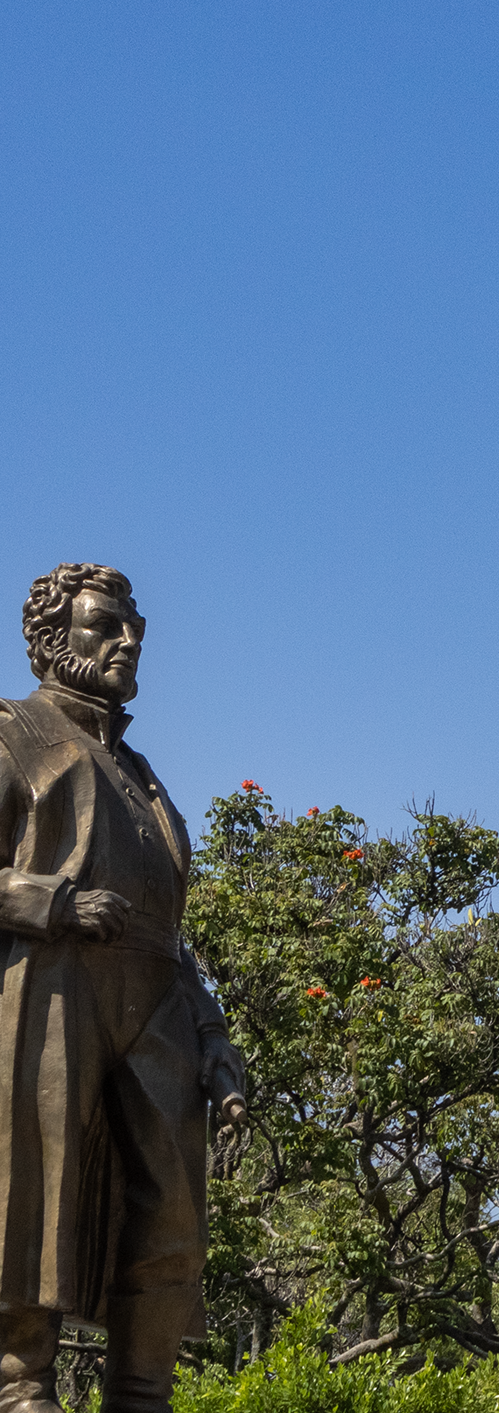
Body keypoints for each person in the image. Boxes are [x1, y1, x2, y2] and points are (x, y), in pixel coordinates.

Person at [0, 564, 246, 1413]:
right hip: (48, 988)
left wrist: (213, 1037)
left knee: (173, 1216)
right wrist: (51, 901)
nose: (128, 641)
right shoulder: (13, 735)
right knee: (33, 1200)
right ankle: (19, 1387)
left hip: (158, 1006)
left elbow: (172, 932)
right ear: (51, 639)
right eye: (105, 625)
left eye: (133, 628)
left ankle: (143, 1392)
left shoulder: (142, 774)